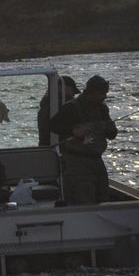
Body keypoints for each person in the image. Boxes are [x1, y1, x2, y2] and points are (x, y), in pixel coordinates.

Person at [49, 74, 118, 204]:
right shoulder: (72, 107)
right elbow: (53, 125)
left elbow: (113, 134)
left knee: (103, 196)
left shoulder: (102, 109)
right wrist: (73, 131)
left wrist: (107, 129)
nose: (104, 97)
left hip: (97, 160)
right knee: (83, 198)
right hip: (77, 162)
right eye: (101, 93)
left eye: (105, 93)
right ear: (91, 93)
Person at [37, 75, 79, 146]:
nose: (73, 95)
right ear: (66, 88)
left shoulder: (45, 104)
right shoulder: (68, 105)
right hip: (63, 148)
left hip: (44, 147)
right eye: (73, 91)